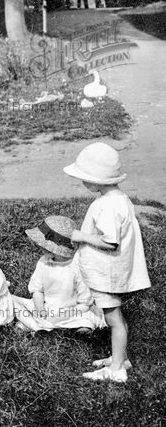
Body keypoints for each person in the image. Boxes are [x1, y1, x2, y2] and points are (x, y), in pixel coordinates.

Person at [64, 142, 151, 382]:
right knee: (116, 318)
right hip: (110, 271)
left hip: (107, 273)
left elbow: (110, 242)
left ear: (96, 180)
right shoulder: (118, 198)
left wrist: (81, 236)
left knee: (114, 320)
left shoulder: (108, 205)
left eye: (84, 178)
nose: (83, 183)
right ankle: (119, 358)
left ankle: (116, 370)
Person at [12, 215, 106, 333]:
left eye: (45, 248)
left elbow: (84, 303)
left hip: (72, 310)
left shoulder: (77, 267)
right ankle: (38, 323)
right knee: (13, 300)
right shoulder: (43, 262)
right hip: (47, 308)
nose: (42, 250)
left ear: (54, 250)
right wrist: (40, 309)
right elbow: (37, 290)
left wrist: (61, 316)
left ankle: (37, 325)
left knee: (86, 318)